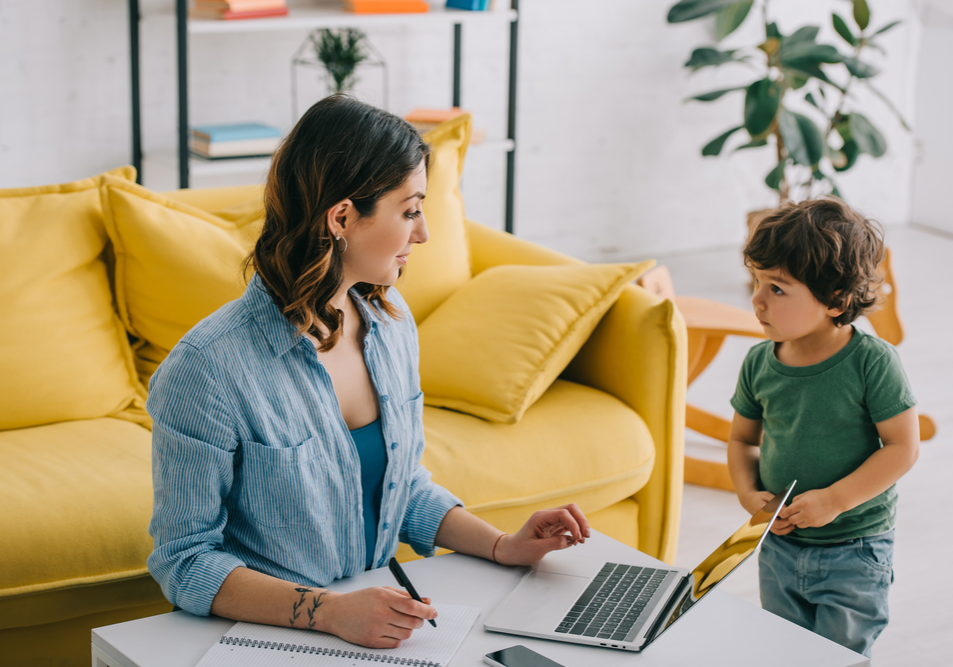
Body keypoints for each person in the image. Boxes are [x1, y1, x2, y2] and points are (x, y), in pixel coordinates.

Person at [146, 95, 590, 649]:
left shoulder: (391, 323)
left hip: (370, 620)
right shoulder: (207, 370)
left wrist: (501, 545)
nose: (424, 233)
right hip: (272, 636)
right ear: (341, 218)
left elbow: (396, 487)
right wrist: (327, 613)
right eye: (409, 211)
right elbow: (185, 563)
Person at [727, 197, 919, 659]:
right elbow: (741, 440)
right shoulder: (759, 362)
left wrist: (835, 500)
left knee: (838, 655)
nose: (756, 299)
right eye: (756, 280)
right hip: (779, 543)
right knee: (784, 650)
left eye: (776, 288)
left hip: (854, 548)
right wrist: (748, 493)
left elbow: (902, 448)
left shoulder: (873, 362)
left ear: (837, 299)